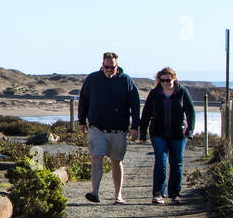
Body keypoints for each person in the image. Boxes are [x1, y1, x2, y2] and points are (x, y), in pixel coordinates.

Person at [77, 51, 140, 204]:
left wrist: (135, 126)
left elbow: (135, 104)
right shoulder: (92, 79)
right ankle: (95, 192)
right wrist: (81, 121)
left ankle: (118, 195)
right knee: (96, 157)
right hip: (96, 128)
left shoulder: (126, 81)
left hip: (118, 129)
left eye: (112, 67)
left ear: (117, 66)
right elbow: (83, 100)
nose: (109, 70)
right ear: (102, 65)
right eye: (107, 67)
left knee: (116, 160)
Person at [139, 66, 194, 204]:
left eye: (168, 80)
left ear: (174, 79)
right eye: (162, 80)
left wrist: (190, 130)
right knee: (161, 162)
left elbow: (190, 112)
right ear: (159, 81)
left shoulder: (182, 92)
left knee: (176, 164)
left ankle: (175, 193)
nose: (165, 83)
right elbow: (146, 114)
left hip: (178, 134)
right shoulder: (154, 93)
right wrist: (142, 133)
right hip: (158, 133)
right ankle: (158, 193)